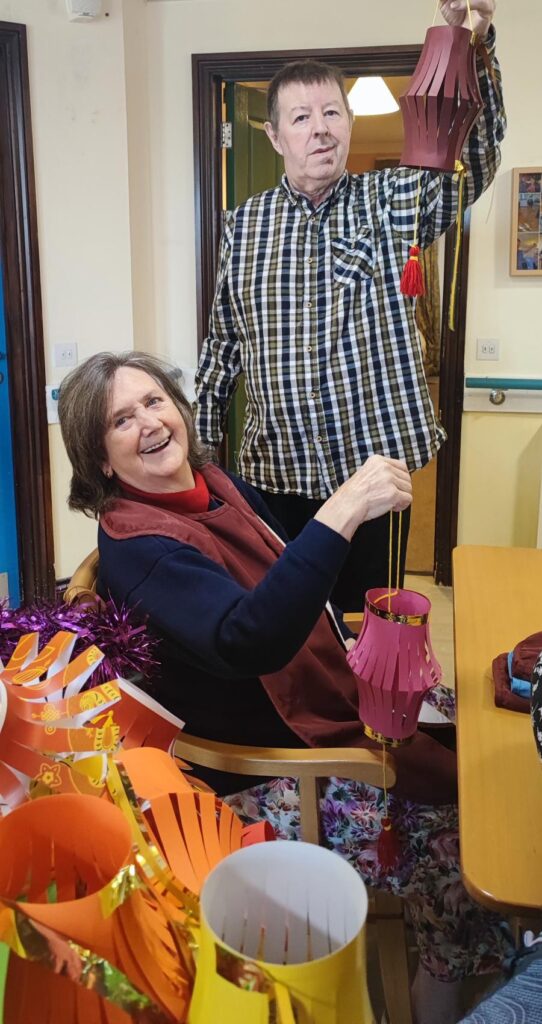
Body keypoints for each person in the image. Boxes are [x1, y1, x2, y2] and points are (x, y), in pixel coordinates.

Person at [59, 351, 513, 1024]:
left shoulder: (212, 485)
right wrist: (346, 506)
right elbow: (249, 638)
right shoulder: (143, 551)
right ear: (100, 461)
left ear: (179, 409)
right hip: (269, 778)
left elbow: (281, 581)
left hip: (310, 714)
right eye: (120, 420)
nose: (148, 423)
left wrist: (342, 636)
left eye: (153, 402)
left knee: (485, 720)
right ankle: (443, 999)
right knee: (475, 838)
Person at [195, 0, 506, 612]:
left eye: (333, 112)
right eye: (302, 116)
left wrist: (476, 47)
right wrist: (204, 461)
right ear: (275, 134)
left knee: (374, 627)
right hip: (275, 474)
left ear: (350, 123)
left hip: (372, 478)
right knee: (294, 628)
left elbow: (479, 160)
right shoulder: (242, 225)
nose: (320, 128)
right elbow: (225, 344)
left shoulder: (393, 198)